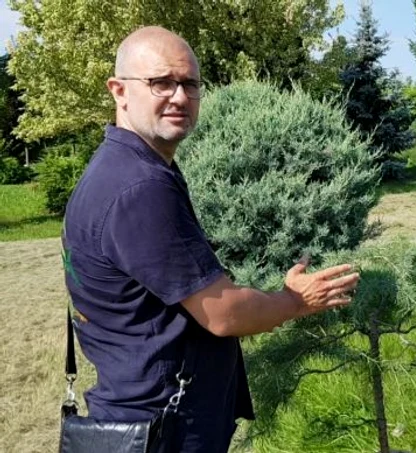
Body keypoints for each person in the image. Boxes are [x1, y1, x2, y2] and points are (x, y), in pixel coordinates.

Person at [60, 25, 359, 452]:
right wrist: (296, 301)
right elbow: (224, 314)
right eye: (161, 82)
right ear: (119, 90)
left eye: (190, 84)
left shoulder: (124, 167)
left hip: (147, 414)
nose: (180, 97)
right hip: (164, 427)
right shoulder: (138, 186)